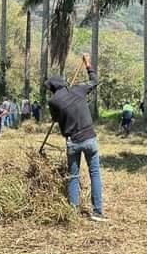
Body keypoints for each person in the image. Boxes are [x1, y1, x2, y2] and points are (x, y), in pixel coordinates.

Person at [45, 53, 106, 222]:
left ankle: (72, 211)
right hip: (90, 139)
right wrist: (88, 64)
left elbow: (56, 119)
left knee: (73, 175)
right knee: (95, 173)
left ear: (52, 89)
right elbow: (94, 81)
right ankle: (98, 212)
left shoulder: (54, 102)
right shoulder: (78, 89)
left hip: (73, 141)